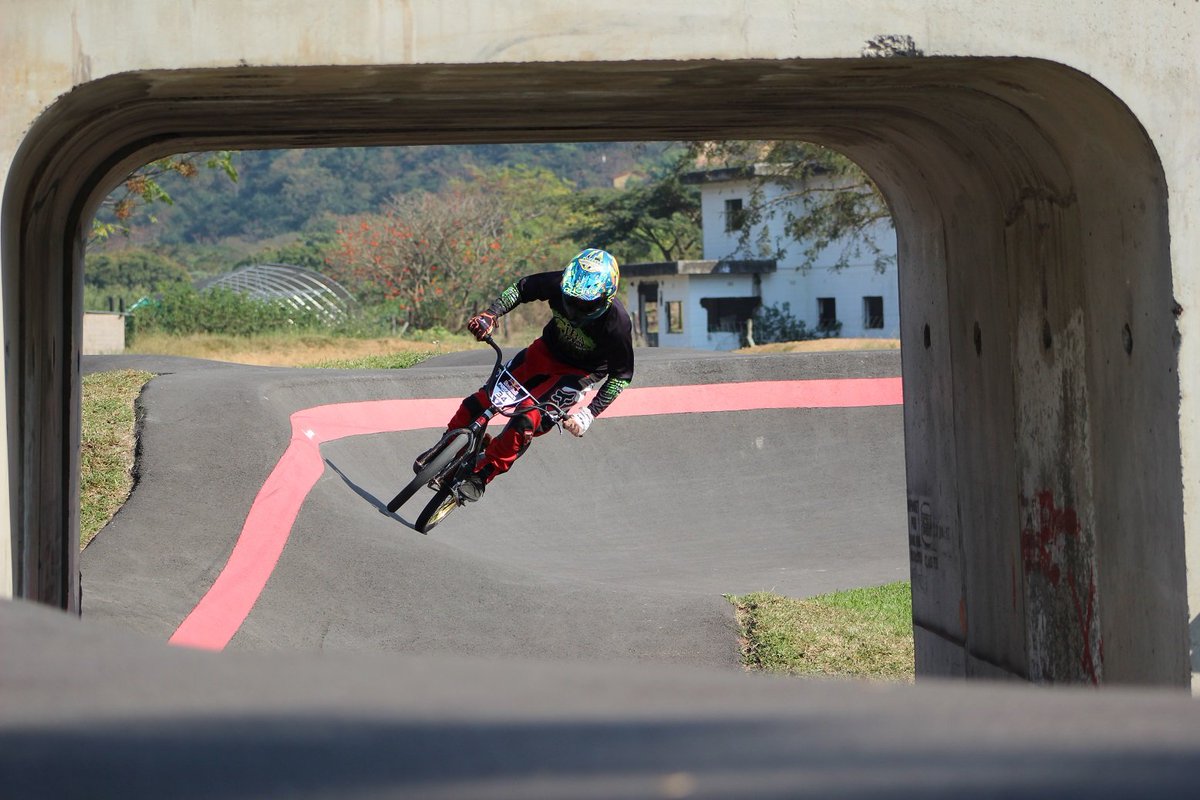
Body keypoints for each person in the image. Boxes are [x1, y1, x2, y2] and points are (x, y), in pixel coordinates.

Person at [415, 248, 634, 502]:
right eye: (570, 299)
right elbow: (521, 288)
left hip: (578, 373)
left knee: (527, 417)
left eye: (585, 304)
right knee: (482, 401)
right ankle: (447, 444)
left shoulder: (618, 324)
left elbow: (621, 376)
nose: (574, 310)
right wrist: (491, 314)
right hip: (544, 351)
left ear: (605, 298)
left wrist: (589, 414)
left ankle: (482, 475)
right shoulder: (558, 282)